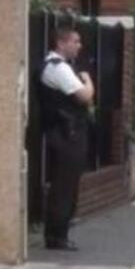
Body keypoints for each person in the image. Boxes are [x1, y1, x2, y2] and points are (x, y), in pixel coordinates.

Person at [38, 24, 95, 251]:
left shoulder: (58, 66)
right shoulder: (58, 68)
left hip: (65, 132)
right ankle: (56, 236)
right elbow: (84, 96)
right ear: (61, 43)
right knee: (64, 184)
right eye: (75, 41)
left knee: (67, 184)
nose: (79, 46)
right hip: (66, 133)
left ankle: (59, 233)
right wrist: (88, 80)